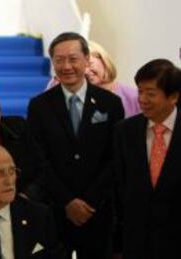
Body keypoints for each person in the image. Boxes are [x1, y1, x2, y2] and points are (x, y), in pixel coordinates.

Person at [27, 32, 124, 259]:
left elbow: (115, 156)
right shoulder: (39, 106)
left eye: (73, 59)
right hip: (55, 209)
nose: (66, 66)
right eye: (59, 60)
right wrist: (67, 202)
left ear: (86, 59)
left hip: (98, 210)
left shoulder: (110, 103)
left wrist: (89, 201)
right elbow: (38, 157)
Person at [114, 59, 181, 259]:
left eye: (150, 93)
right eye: (140, 91)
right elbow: (119, 188)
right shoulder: (124, 131)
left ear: (174, 97)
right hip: (137, 242)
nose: (142, 99)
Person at [85, 41, 140, 118]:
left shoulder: (134, 96)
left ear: (103, 60)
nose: (85, 71)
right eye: (81, 67)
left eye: (89, 64)